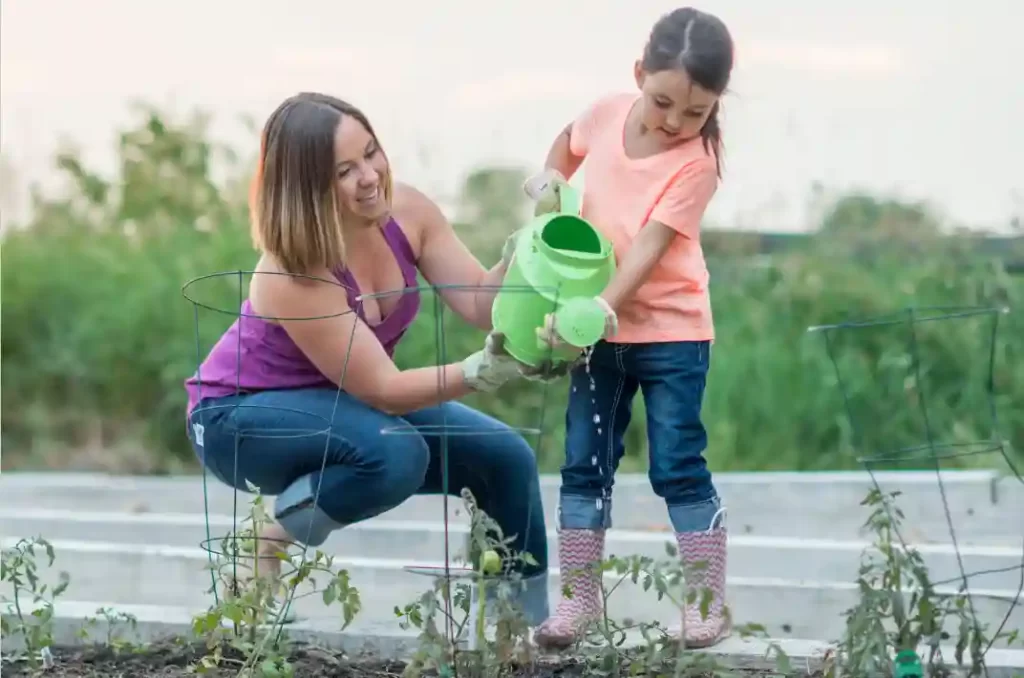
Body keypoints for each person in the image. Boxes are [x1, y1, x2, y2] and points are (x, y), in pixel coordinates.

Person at [183, 92, 559, 625]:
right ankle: (269, 540)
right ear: (307, 189)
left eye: (371, 152)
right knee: (396, 455)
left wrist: (530, 248)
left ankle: (516, 627)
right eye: (344, 170)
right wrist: (481, 371)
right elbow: (382, 390)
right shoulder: (293, 271)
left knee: (505, 458)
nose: (369, 176)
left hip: (334, 404)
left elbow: (481, 300)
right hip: (238, 420)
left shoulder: (408, 212)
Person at [523, 7, 735, 649]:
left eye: (693, 113)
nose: (673, 122)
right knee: (585, 463)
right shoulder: (608, 110)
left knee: (677, 463)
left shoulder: (698, 163)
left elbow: (648, 248)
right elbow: (568, 140)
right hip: (600, 333)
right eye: (663, 101)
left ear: (714, 107)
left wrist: (595, 313)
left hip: (670, 334)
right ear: (639, 73)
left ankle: (705, 603)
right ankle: (578, 603)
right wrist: (552, 178)